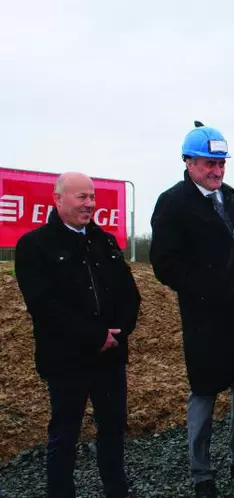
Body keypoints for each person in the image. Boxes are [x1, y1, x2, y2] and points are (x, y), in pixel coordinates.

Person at [150, 122, 234, 498]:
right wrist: (206, 288)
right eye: (208, 164)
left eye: (220, 164)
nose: (216, 171)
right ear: (188, 162)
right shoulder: (173, 202)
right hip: (204, 316)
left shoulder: (230, 197)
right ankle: (201, 471)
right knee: (204, 390)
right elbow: (165, 263)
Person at [14, 172, 141, 498]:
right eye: (81, 197)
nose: (90, 204)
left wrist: (119, 333)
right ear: (58, 199)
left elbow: (130, 294)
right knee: (65, 434)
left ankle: (116, 490)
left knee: (113, 430)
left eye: (92, 197)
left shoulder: (105, 241)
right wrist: (95, 336)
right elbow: (44, 306)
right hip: (66, 360)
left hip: (110, 357)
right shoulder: (34, 246)